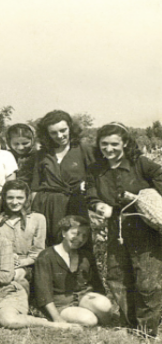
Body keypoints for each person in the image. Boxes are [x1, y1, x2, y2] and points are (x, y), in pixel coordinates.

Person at [87, 122, 162, 337]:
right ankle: (130, 325)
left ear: (125, 143)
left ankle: (147, 331)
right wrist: (99, 205)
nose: (108, 149)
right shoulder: (96, 169)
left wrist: (145, 197)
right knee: (117, 277)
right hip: (116, 231)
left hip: (145, 231)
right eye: (104, 144)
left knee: (147, 282)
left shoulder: (142, 164)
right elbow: (91, 195)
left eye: (114, 144)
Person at [31, 110, 95, 247]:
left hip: (75, 205)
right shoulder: (42, 154)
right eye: (53, 133)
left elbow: (97, 175)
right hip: (47, 207)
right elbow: (35, 187)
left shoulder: (84, 149)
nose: (59, 136)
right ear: (47, 134)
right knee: (50, 248)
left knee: (77, 245)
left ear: (70, 128)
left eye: (63, 130)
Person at [34, 216, 111, 327]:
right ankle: (89, 320)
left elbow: (97, 284)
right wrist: (57, 319)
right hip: (61, 303)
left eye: (84, 236)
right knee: (89, 320)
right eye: (75, 233)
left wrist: (99, 301)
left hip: (83, 297)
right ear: (64, 233)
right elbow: (43, 293)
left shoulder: (85, 256)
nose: (80, 239)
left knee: (104, 305)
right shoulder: (46, 256)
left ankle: (108, 326)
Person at [0, 180, 46, 288]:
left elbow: (38, 252)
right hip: (1, 264)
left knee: (15, 276)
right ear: (4, 199)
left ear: (26, 198)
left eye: (20, 198)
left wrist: (19, 263)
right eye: (10, 198)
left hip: (27, 266)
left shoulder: (37, 219)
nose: (14, 202)